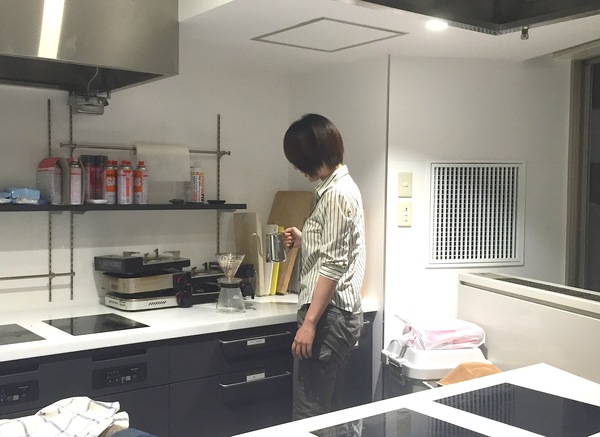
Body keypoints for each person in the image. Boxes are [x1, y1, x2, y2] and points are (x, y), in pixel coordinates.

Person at [283, 113, 366, 421]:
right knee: (333, 416)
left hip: (327, 316)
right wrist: (306, 239)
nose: (296, 167)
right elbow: (340, 247)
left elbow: (332, 265)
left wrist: (310, 323)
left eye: (297, 160)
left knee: (310, 416)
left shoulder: (335, 195)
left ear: (311, 155)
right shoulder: (342, 187)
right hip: (337, 315)